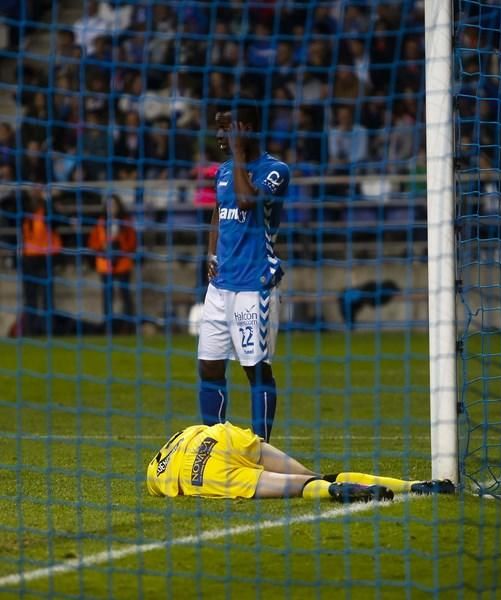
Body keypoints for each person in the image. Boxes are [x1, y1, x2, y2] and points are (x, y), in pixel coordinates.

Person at [197, 100, 290, 442]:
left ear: (246, 128)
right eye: (217, 128)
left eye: (226, 128)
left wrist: (238, 155)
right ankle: (214, 443)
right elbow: (220, 212)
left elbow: (247, 201)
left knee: (255, 369)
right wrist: (211, 254)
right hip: (221, 287)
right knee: (209, 366)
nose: (220, 135)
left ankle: (261, 446)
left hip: (256, 286)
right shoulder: (223, 171)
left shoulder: (276, 170)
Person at [147, 421, 455, 502]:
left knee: (297, 486)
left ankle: (336, 492)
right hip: (220, 437)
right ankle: (414, 485)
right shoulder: (186, 433)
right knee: (317, 474)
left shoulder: (154, 476)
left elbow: (157, 488)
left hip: (201, 471)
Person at [88, 194, 136, 332]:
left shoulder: (126, 222)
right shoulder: (101, 222)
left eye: (114, 204)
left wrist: (120, 246)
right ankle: (108, 327)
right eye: (109, 205)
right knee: (107, 295)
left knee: (125, 294)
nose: (111, 208)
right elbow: (93, 242)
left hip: (123, 263)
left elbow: (132, 242)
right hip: (105, 264)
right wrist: (102, 248)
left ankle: (128, 326)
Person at [21, 189, 62, 335]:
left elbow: (58, 220)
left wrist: (47, 200)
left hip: (46, 258)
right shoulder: (24, 212)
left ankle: (48, 330)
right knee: (30, 297)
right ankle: (31, 330)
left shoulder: (46, 211)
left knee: (47, 297)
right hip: (29, 259)